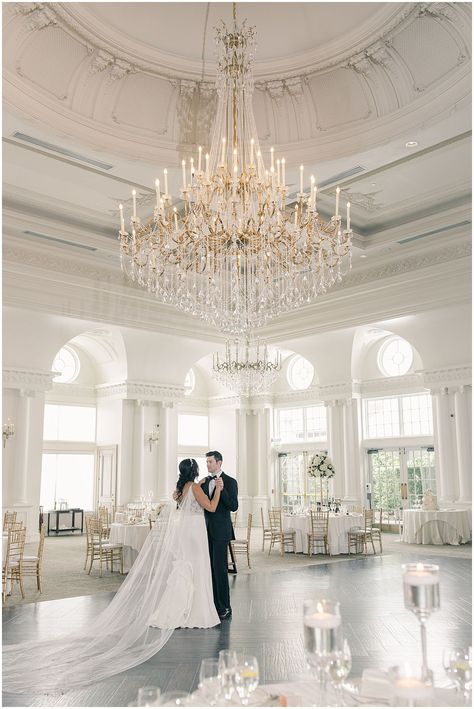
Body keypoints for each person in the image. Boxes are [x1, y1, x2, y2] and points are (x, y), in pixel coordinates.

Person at [3, 459, 220, 694]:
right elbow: (211, 507)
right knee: (196, 568)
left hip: (184, 531)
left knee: (185, 568)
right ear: (195, 471)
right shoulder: (195, 487)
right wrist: (217, 490)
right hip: (195, 532)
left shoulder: (178, 490)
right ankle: (194, 610)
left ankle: (177, 609)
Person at [200, 450, 238, 619]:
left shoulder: (230, 481)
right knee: (208, 568)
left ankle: (225, 607)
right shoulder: (204, 481)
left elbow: (233, 506)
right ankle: (212, 604)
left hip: (221, 531)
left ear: (219, 463)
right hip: (204, 530)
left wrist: (221, 490)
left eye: (210, 462)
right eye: (207, 462)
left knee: (220, 569)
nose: (208, 465)